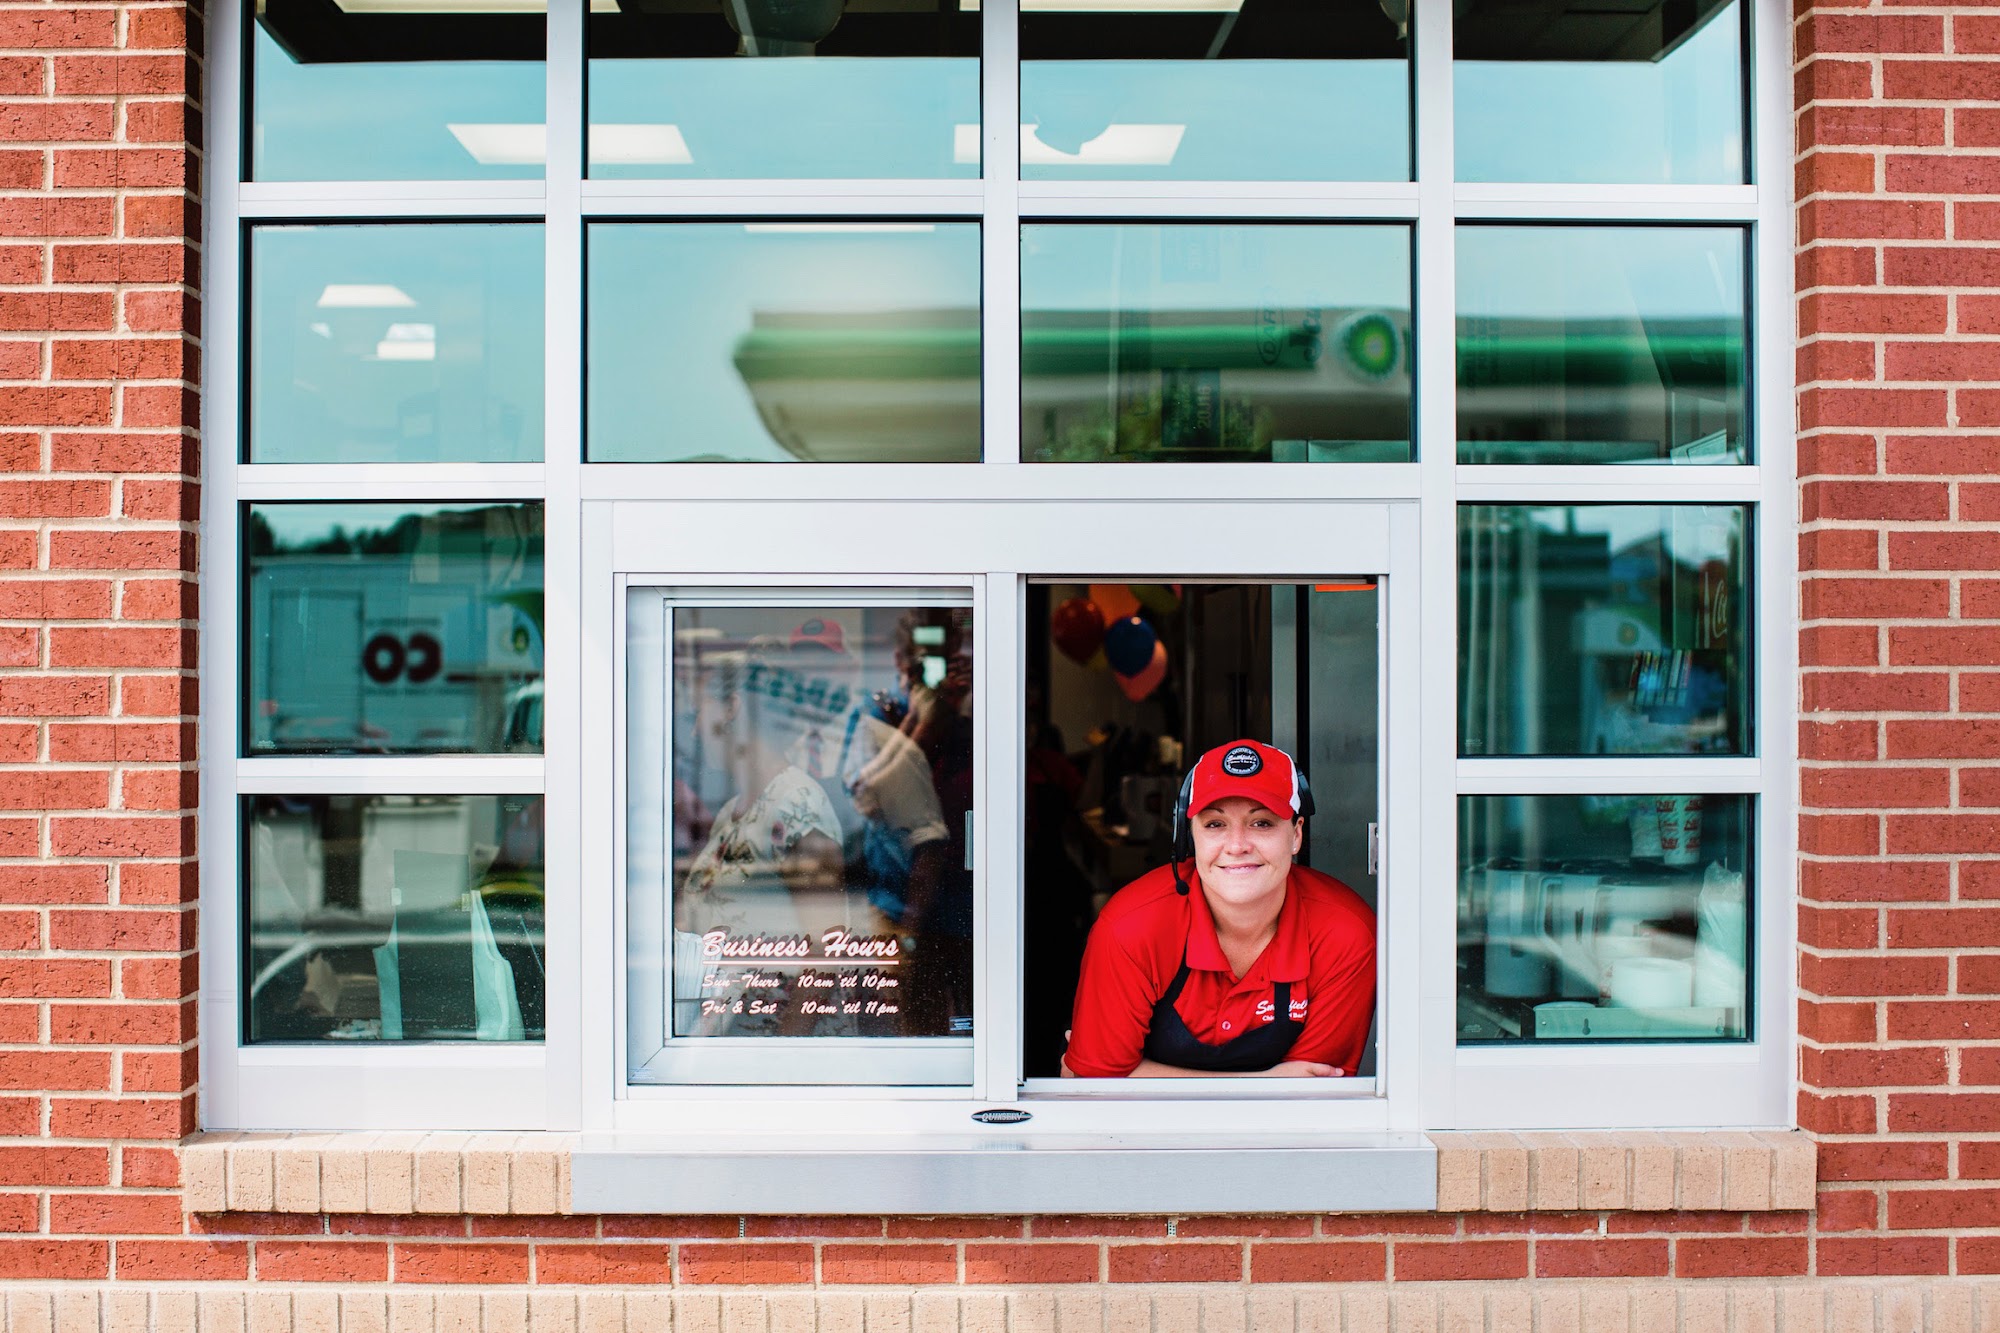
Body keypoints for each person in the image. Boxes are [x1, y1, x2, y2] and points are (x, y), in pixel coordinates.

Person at [1061, 739, 1376, 1078]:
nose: (1237, 845)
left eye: (1262, 823)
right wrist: (1264, 1084)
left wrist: (1140, 1074)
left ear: (1296, 835)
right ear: (1189, 836)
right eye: (1215, 824)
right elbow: (1094, 1088)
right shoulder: (1131, 927)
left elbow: (1313, 1094)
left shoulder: (1346, 933)